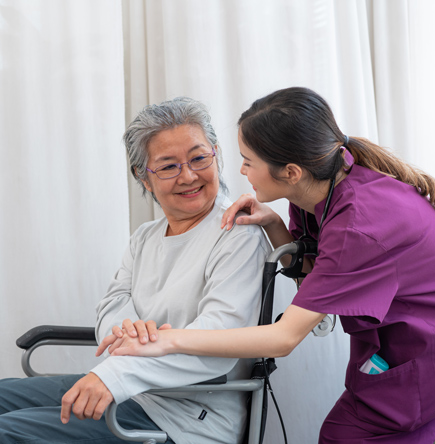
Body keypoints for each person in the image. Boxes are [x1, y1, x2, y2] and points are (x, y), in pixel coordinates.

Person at [99, 87, 435, 444]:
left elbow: (283, 338)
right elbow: (317, 273)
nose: (240, 171)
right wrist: (275, 226)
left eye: (247, 161)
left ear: (290, 172)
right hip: (411, 333)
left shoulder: (360, 224)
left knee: (347, 435)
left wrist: (167, 339)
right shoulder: (315, 189)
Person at [0, 97, 270, 444]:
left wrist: (115, 375)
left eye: (199, 158)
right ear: (143, 176)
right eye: (169, 166)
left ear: (216, 154)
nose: (189, 175)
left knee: (8, 431)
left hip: (185, 416)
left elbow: (218, 341)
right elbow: (112, 305)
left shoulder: (239, 234)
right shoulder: (145, 238)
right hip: (133, 390)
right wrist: (127, 329)